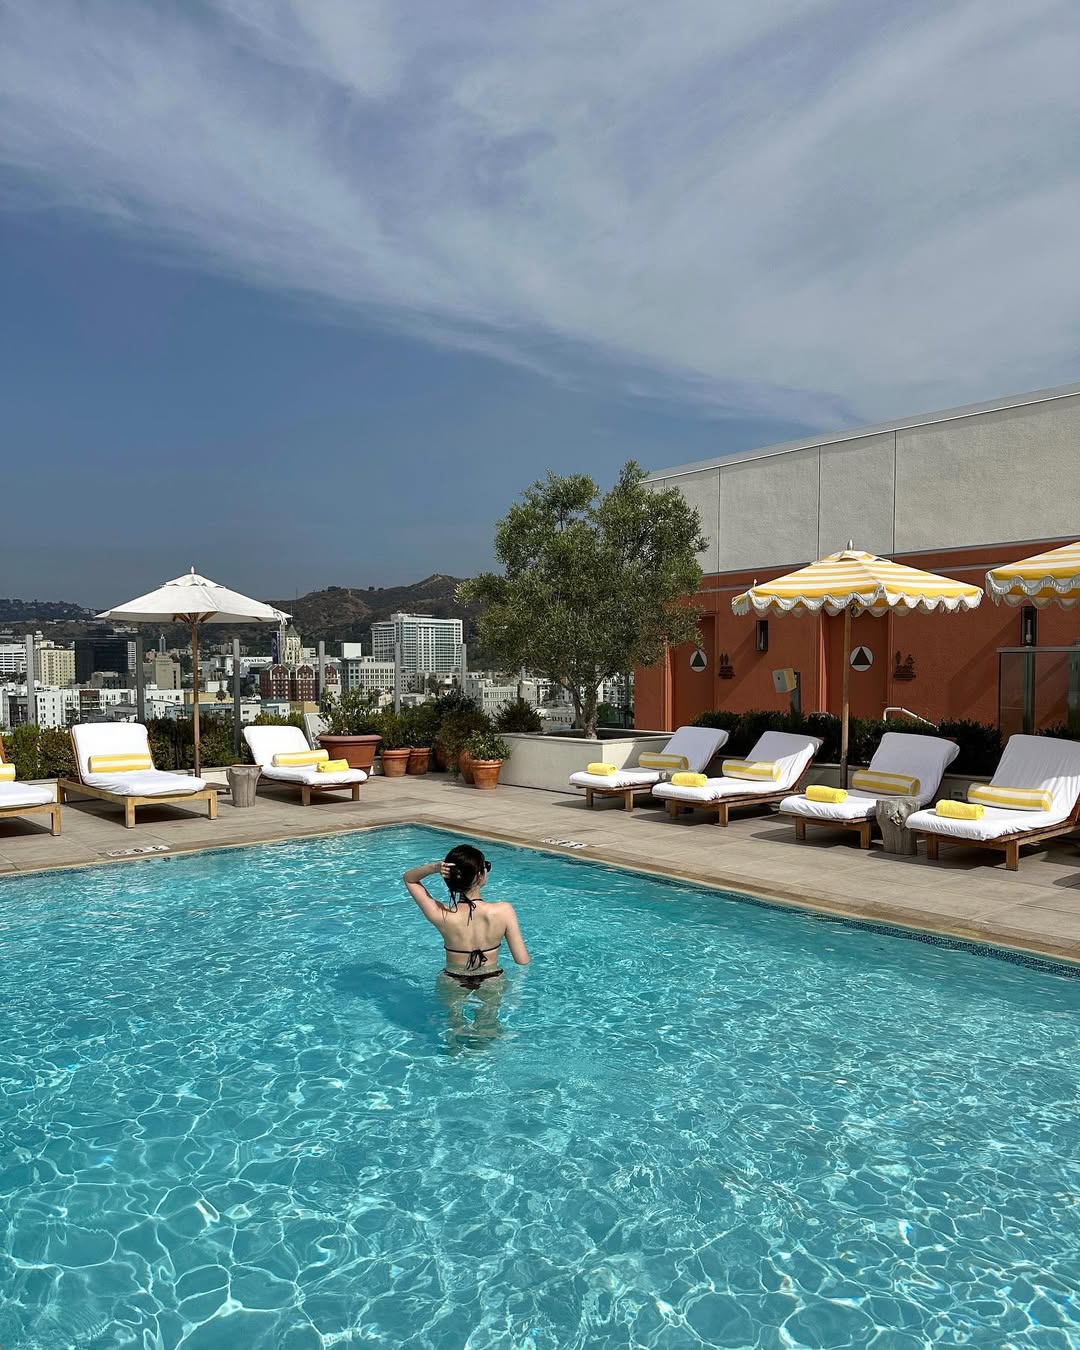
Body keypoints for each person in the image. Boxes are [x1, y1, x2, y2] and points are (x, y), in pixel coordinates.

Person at [403, 844, 530, 989]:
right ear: (479, 875)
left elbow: (409, 879)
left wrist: (434, 868)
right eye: (486, 866)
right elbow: (522, 960)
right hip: (492, 979)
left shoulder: (442, 914)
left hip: (453, 979)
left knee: (450, 1004)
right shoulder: (504, 911)